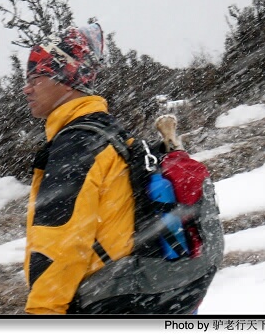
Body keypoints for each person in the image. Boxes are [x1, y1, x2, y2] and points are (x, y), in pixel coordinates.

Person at [22, 22, 220, 315]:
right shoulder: (110, 133)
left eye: (36, 78)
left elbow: (59, 240)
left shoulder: (76, 144)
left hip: (109, 301)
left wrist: (43, 311)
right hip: (144, 292)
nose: (26, 89)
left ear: (65, 78)